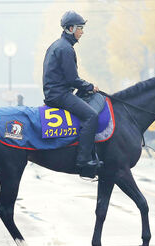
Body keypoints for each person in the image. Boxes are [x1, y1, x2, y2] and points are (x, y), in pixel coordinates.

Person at [42, 10, 103, 178]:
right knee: (91, 116)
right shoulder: (66, 49)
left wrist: (85, 87)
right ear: (70, 29)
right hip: (59, 95)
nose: (82, 32)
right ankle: (83, 161)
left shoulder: (58, 45)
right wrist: (90, 86)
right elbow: (72, 79)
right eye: (80, 28)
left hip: (56, 92)